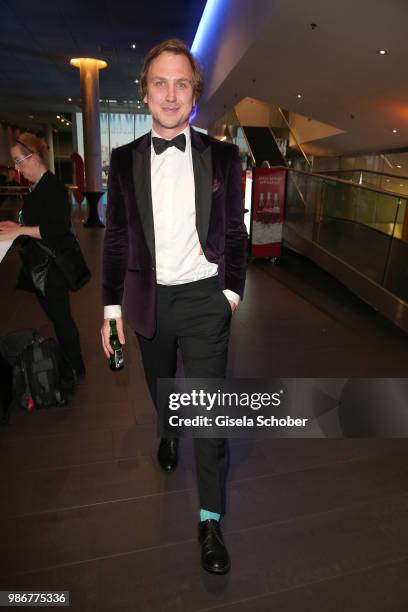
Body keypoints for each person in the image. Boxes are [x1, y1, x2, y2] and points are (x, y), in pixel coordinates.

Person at [100, 39, 248, 574]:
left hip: (207, 299)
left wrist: (230, 294)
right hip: (149, 302)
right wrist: (112, 311)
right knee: (164, 390)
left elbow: (235, 230)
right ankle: (167, 429)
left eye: (181, 83)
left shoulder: (223, 156)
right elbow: (115, 238)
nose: (170, 93)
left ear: (194, 94)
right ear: (144, 93)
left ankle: (210, 520)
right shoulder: (122, 161)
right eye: (159, 82)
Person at [0, 133, 85, 379]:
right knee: (58, 319)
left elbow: (55, 228)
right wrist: (16, 226)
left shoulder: (53, 186)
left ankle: (76, 368)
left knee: (62, 320)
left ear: (34, 157)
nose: (17, 167)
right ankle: (71, 365)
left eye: (19, 160)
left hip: (53, 269)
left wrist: (20, 229)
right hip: (43, 268)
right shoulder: (38, 187)